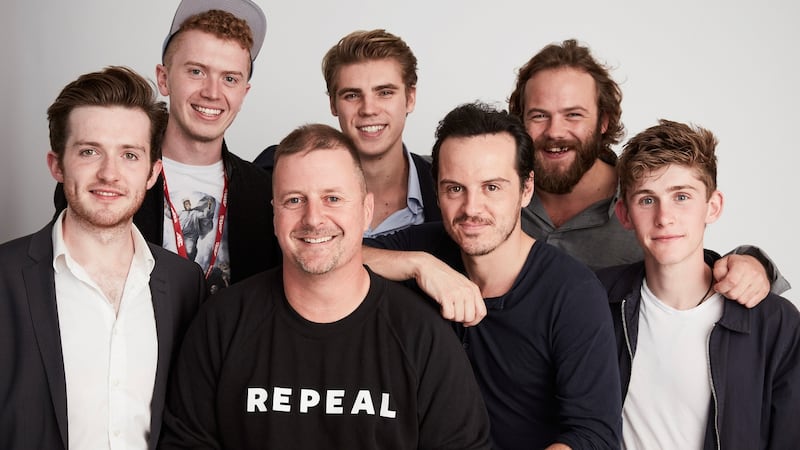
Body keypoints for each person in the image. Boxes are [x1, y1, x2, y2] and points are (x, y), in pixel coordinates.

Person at [160, 124, 491, 449]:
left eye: (332, 198)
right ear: (274, 215)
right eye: (294, 200)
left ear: (366, 210)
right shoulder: (221, 325)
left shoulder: (423, 338)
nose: (313, 218)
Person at [365, 103, 621, 449]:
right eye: (455, 189)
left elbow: (594, 436)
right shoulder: (424, 249)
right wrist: (419, 264)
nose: (472, 208)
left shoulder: (573, 293)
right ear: (437, 192)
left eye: (492, 187)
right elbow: (331, 258)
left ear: (526, 189)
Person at [0, 66, 206, 450]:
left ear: (152, 173)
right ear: (57, 165)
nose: (110, 173)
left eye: (129, 154)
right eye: (89, 151)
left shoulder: (184, 283)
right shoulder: (5, 277)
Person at [508, 38, 789, 303]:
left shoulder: (645, 200)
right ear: (521, 122)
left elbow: (690, 270)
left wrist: (755, 265)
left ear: (603, 121)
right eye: (539, 115)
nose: (555, 131)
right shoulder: (497, 195)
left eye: (573, 115)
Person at [596, 119, 800, 449]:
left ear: (713, 206)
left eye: (681, 197)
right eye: (647, 200)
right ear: (625, 214)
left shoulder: (774, 322)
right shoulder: (595, 303)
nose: (664, 217)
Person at [54, 0, 280, 294]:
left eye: (229, 78)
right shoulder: (106, 180)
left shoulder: (264, 192)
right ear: (164, 79)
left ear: (243, 92)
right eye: (196, 71)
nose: (212, 93)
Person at [254, 29, 441, 236]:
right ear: (333, 104)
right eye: (352, 95)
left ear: (410, 98)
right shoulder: (275, 175)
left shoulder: (446, 187)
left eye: (385, 93)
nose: (368, 109)